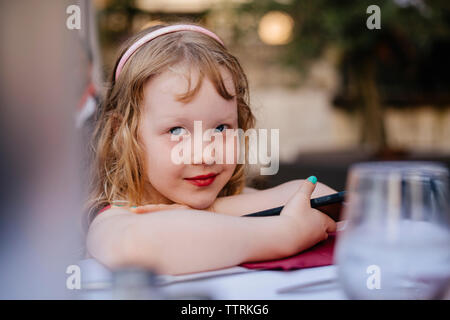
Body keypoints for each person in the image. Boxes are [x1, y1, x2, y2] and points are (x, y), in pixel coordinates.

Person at [85, 23, 337, 275]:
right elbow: (137, 247)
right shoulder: (114, 217)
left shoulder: (231, 199)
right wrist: (286, 233)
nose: (206, 155)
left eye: (220, 128)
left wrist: (213, 209)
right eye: (177, 131)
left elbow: (323, 199)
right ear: (122, 133)